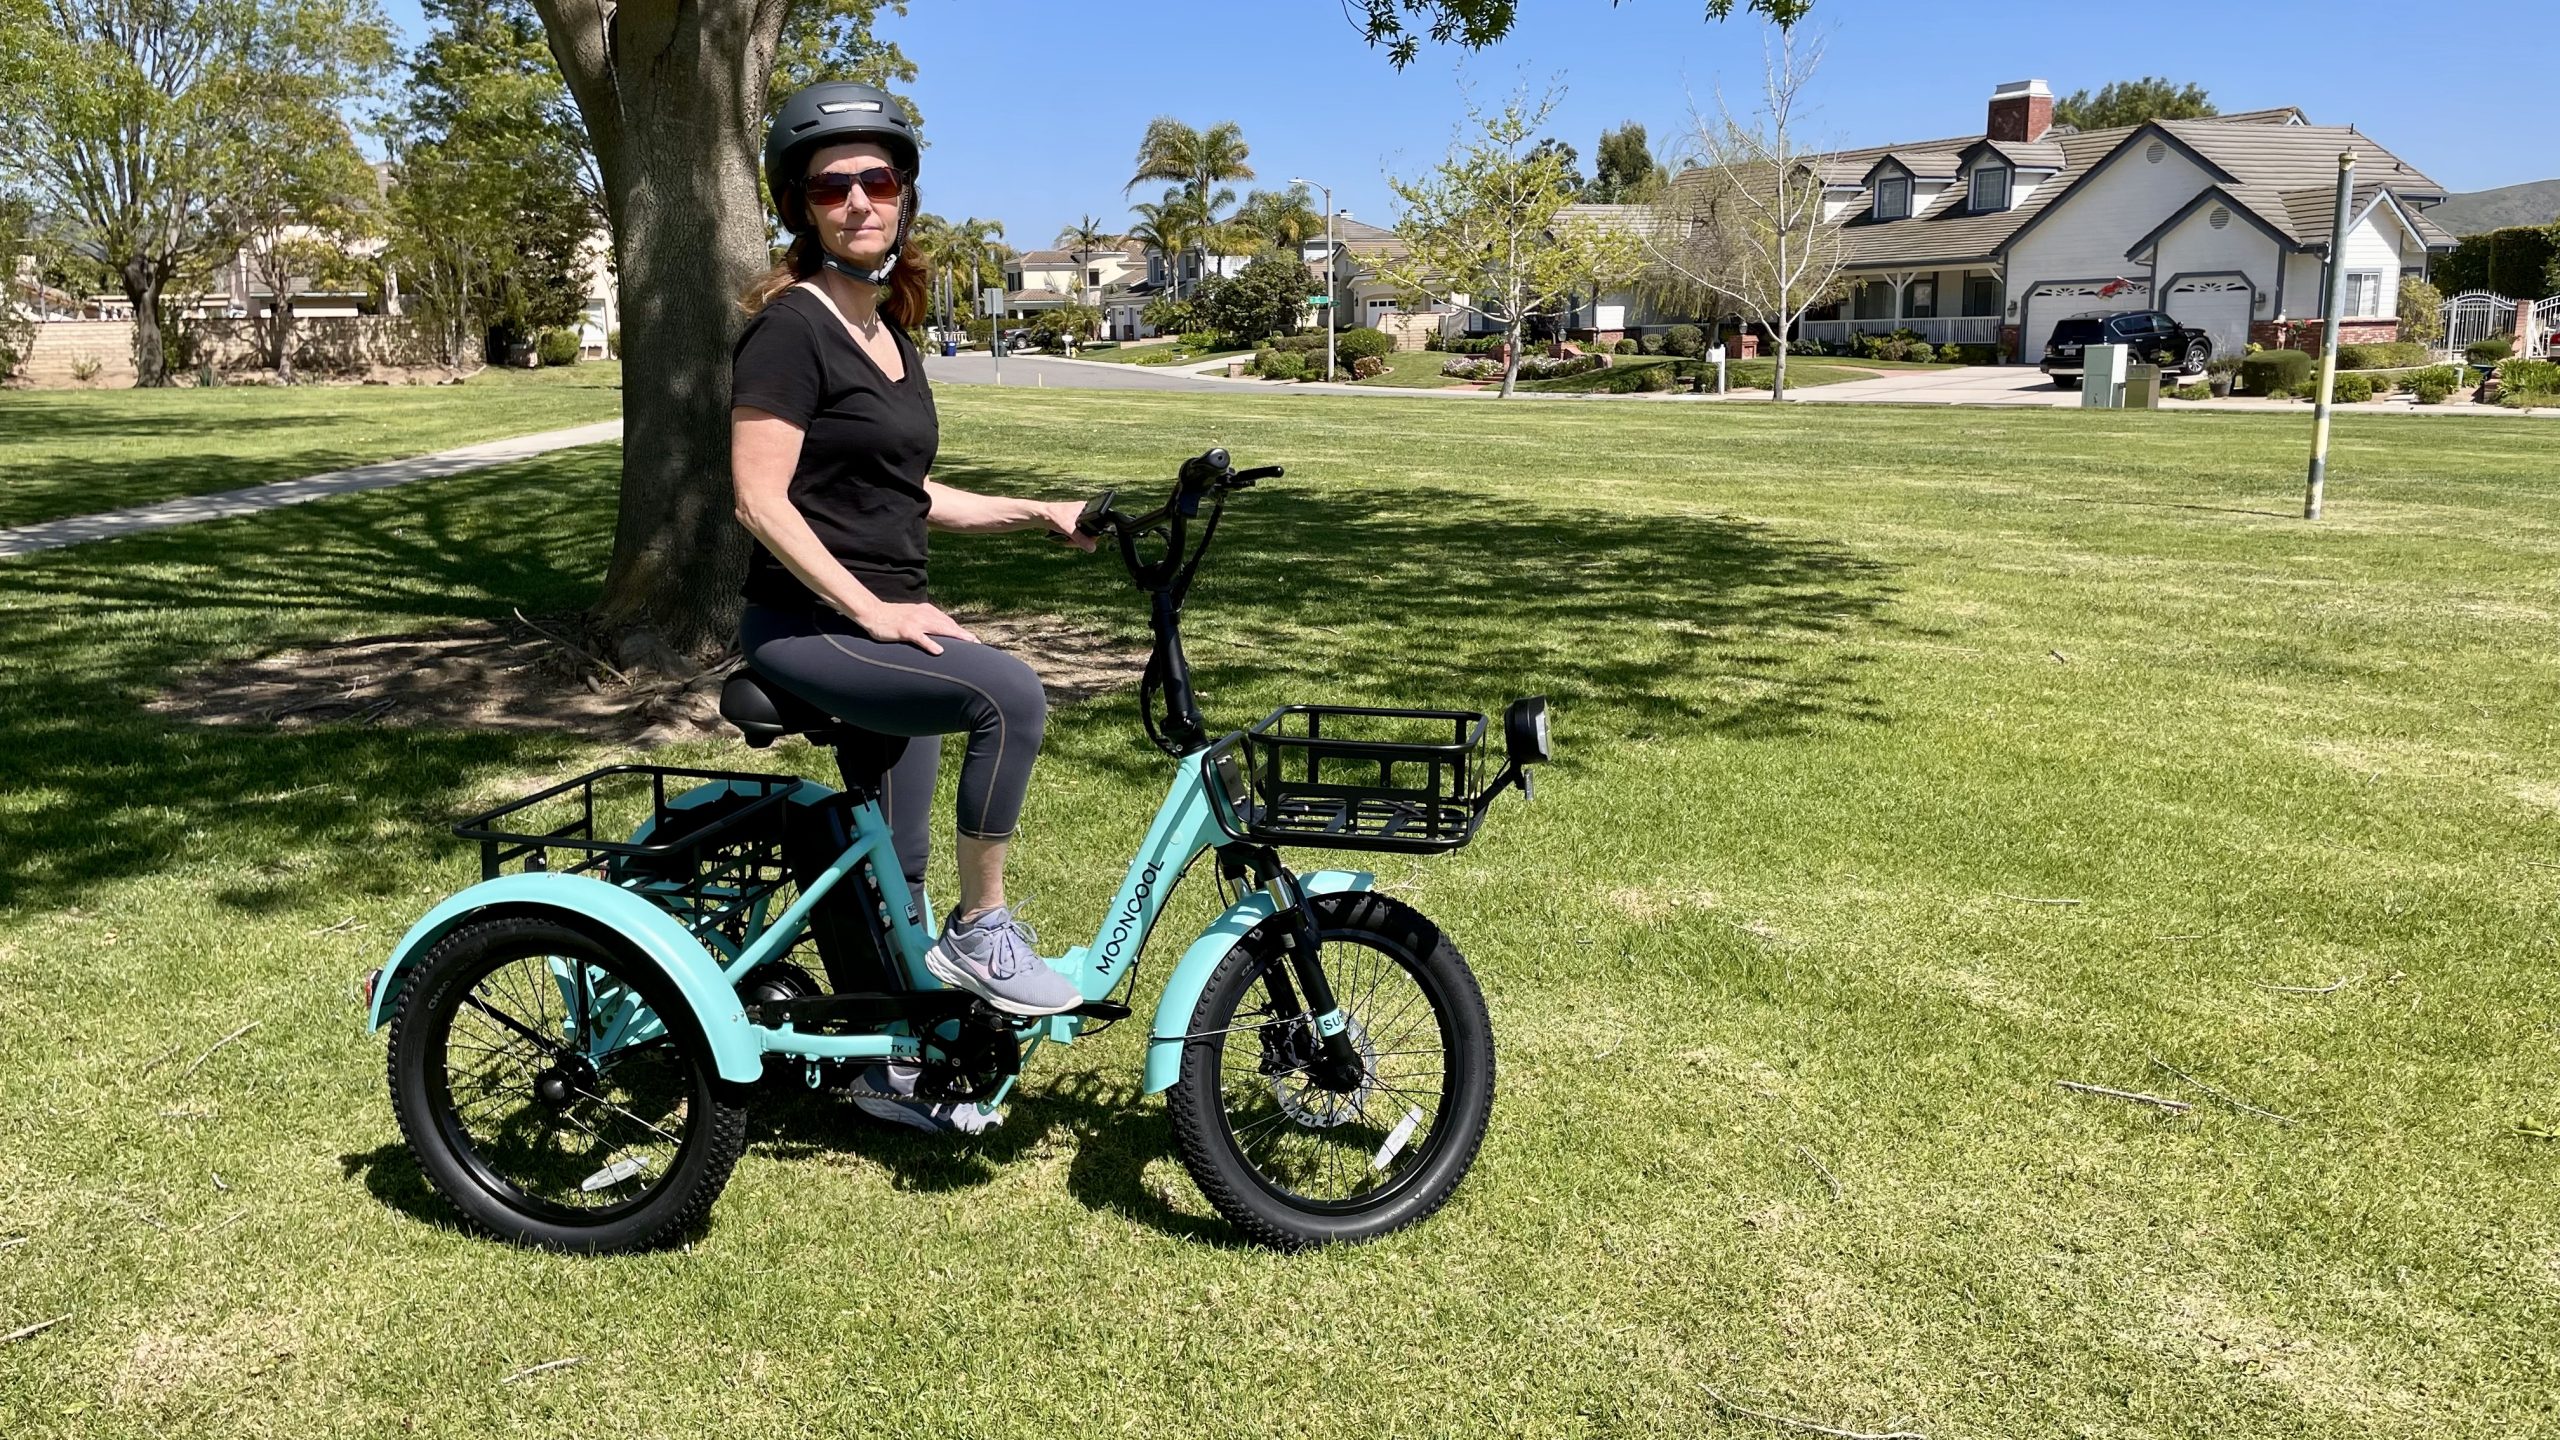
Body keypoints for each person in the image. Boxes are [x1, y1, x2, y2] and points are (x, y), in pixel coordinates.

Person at [729, 83, 1087, 1132]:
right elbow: (756, 497)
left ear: (904, 196)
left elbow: (902, 490)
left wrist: (1034, 508)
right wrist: (875, 612)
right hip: (807, 628)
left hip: (874, 619)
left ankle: (892, 1066)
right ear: (801, 207)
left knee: (902, 858)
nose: (856, 200)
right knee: (1008, 697)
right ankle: (986, 933)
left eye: (874, 180)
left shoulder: (886, 331)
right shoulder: (789, 332)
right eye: (830, 186)